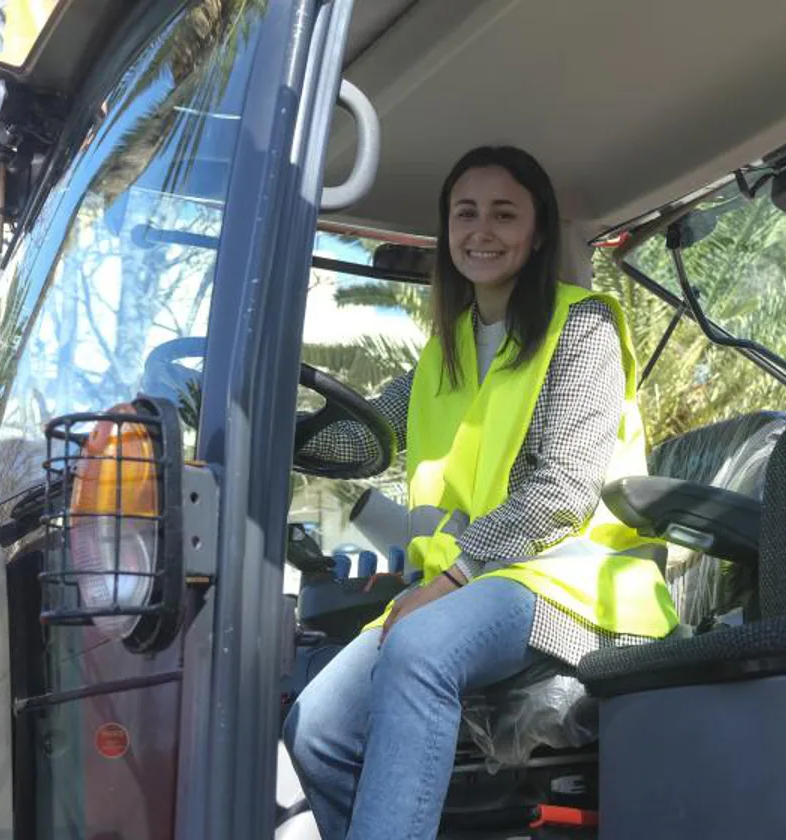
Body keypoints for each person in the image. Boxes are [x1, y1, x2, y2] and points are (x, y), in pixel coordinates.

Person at [283, 145, 678, 840]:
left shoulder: (580, 327)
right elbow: (363, 437)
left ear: (536, 232)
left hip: (578, 581)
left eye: (504, 213)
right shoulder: (446, 352)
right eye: (466, 213)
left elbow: (563, 489)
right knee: (316, 726)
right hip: (477, 584)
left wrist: (455, 575)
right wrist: (280, 423)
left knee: (420, 649)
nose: (482, 231)